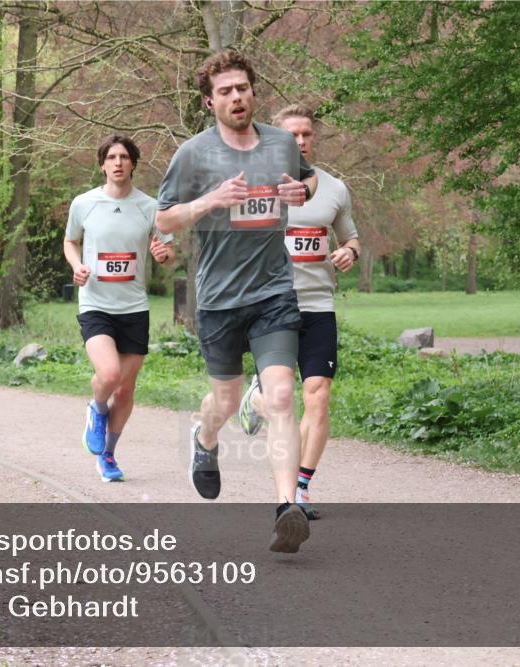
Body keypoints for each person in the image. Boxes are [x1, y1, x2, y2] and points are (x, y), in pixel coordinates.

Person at [155, 50, 319, 553]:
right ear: (210, 102)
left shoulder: (279, 142)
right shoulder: (193, 154)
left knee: (283, 396)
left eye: (242, 88)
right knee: (225, 401)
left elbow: (309, 177)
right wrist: (210, 201)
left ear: (253, 91)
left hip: (273, 291)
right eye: (225, 92)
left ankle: (286, 508)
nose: (236, 98)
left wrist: (300, 193)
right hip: (220, 299)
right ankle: (204, 441)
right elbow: (163, 220)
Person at [237, 105, 361, 520]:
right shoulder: (255, 187)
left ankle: (301, 487)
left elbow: (352, 238)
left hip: (318, 305)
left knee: (319, 395)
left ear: (314, 138)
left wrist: (347, 252)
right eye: (291, 135)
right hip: (271, 306)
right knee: (279, 399)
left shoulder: (334, 189)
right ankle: (251, 401)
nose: (300, 141)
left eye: (306, 134)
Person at [65, 134, 175, 482]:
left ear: (133, 164)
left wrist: (164, 255)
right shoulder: (84, 203)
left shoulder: (150, 207)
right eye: (111, 156)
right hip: (95, 303)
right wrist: (76, 265)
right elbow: (71, 241)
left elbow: (168, 252)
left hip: (134, 307)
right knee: (109, 375)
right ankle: (97, 408)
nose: (117, 162)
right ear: (102, 164)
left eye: (124, 157)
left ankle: (108, 456)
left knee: (126, 389)